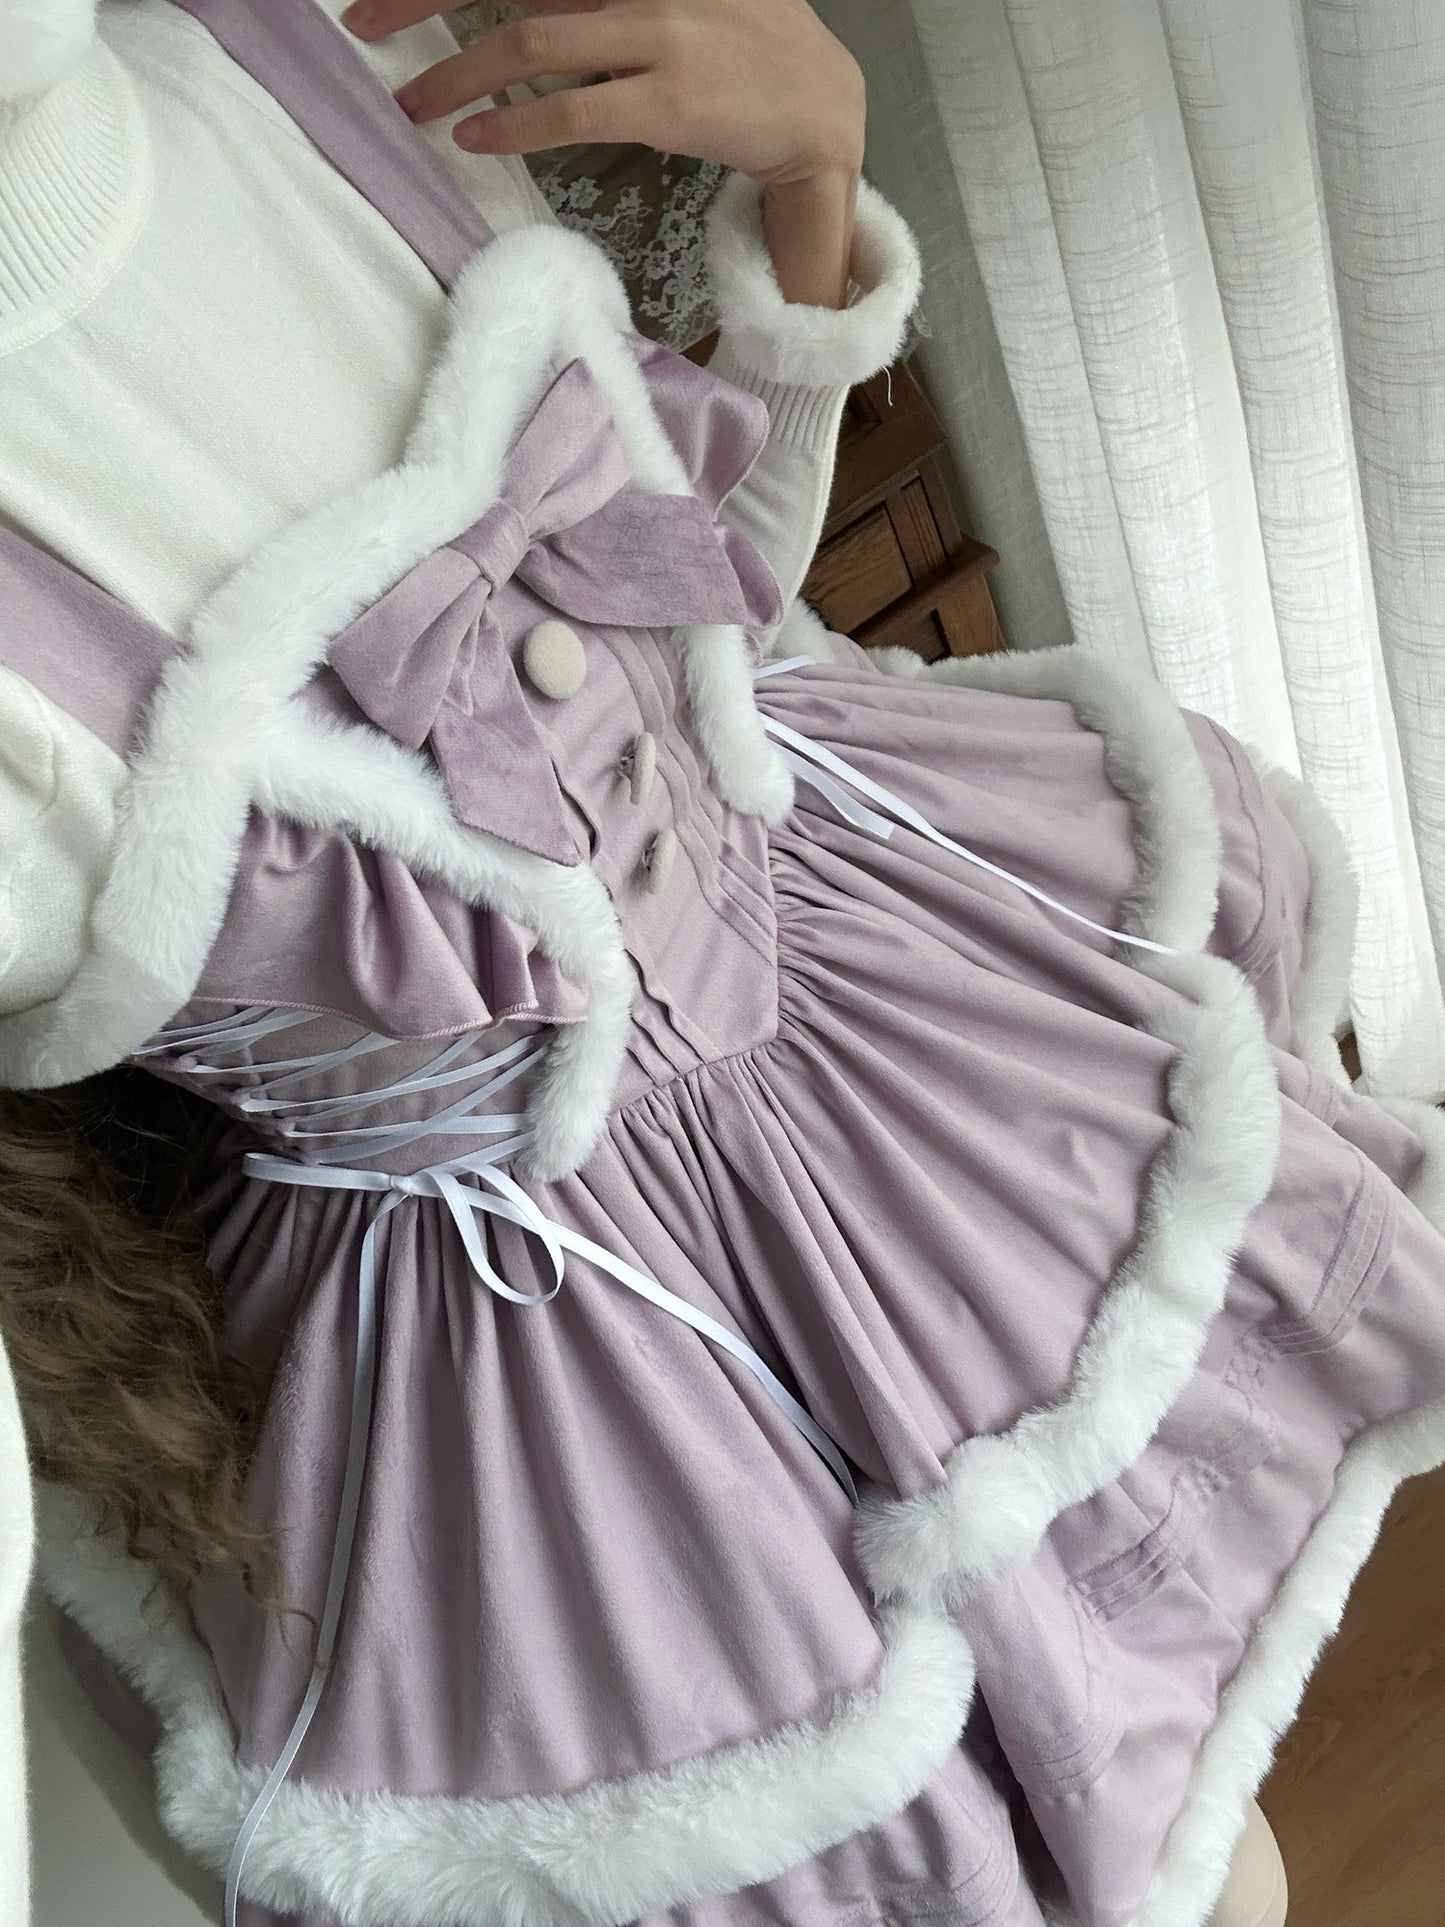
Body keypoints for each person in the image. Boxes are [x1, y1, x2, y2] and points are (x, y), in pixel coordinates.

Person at [0, 3, 1440, 1925]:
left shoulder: (299, 44)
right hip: (577, 1380)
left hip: (913, 1066)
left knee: (1193, 1831)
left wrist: (809, 191)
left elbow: (703, 647)